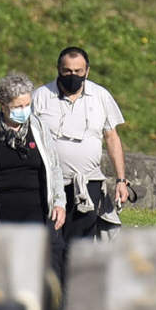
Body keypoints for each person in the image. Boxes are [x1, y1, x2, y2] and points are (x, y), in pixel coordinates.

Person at [33, 47, 129, 255]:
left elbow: (112, 137)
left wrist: (121, 180)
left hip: (87, 184)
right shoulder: (40, 97)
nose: (73, 76)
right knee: (50, 242)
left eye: (78, 71)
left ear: (87, 71)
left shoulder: (101, 96)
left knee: (80, 244)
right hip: (48, 183)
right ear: (58, 69)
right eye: (67, 71)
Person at [0, 72, 64, 234]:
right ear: (3, 105)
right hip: (0, 217)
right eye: (18, 107)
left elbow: (54, 168)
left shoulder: (39, 128)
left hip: (37, 216)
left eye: (27, 105)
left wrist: (59, 202)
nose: (24, 111)